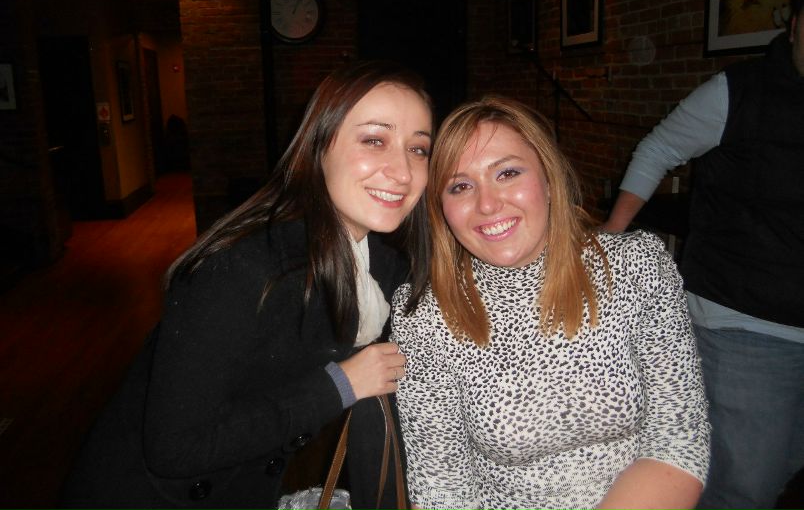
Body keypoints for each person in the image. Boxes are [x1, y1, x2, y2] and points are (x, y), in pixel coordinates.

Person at [60, 60, 433, 509]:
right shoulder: (243, 268)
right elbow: (175, 448)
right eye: (375, 140)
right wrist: (339, 385)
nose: (403, 171)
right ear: (317, 147)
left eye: (418, 149)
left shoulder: (378, 263)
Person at [391, 96, 710, 510]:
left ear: (548, 178)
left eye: (507, 173)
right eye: (461, 186)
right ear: (441, 208)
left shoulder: (635, 267)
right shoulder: (426, 317)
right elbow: (442, 490)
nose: (487, 204)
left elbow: (678, 437)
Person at [602, 0, 804, 510]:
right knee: (743, 485)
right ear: (794, 24)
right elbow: (657, 149)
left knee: (783, 464)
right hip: (744, 317)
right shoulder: (740, 91)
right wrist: (612, 234)